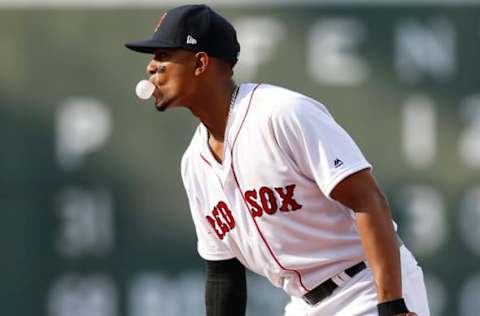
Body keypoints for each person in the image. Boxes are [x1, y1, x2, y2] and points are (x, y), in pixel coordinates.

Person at [125, 4, 430, 316]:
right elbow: (223, 272)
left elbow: (367, 198)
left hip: (367, 286)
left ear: (200, 62)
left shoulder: (280, 114)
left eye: (163, 55)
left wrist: (391, 304)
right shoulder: (194, 163)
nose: (151, 67)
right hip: (303, 305)